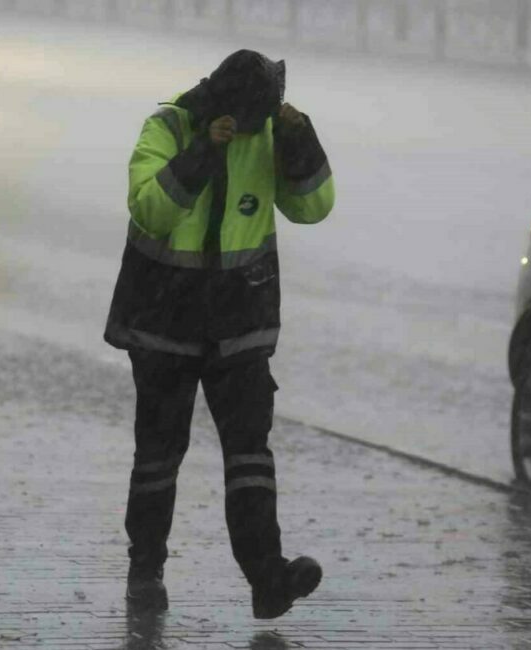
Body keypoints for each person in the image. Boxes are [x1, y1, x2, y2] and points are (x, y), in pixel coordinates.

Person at [104, 49, 335, 619]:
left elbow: (314, 206)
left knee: (250, 454)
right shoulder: (168, 126)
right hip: (165, 325)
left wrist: (299, 138)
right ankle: (146, 566)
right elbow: (151, 209)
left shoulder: (265, 135)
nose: (253, 130)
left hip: (239, 327)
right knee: (159, 454)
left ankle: (268, 579)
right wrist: (204, 149)